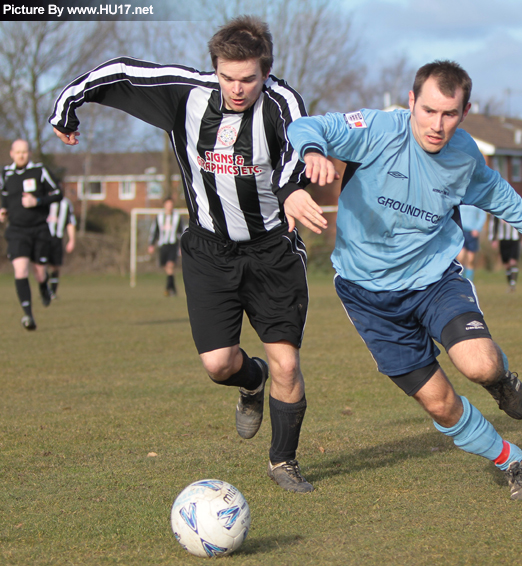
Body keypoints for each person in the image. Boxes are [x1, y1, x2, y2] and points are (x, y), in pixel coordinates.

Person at [286, 60, 522, 501]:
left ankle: (501, 381)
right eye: (428, 111)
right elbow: (307, 126)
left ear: (464, 113)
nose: (437, 125)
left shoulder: (463, 155)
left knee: (480, 365)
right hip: (368, 297)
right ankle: (512, 461)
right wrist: (312, 153)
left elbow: (494, 189)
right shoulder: (376, 129)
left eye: (449, 114)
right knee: (441, 404)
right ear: (411, 102)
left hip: (433, 281)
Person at [50, 16, 320, 493]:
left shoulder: (283, 104)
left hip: (271, 251)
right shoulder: (186, 94)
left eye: (249, 79)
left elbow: (299, 147)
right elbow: (120, 70)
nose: (237, 89)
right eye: (228, 77)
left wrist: (294, 187)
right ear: (214, 67)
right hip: (209, 250)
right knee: (219, 364)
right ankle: (249, 381)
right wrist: (67, 107)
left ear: (267, 72)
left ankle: (283, 462)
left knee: (288, 363)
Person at [0, 139, 62, 331]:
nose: (21, 155)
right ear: (12, 153)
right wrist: (2, 209)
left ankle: (43, 286)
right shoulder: (5, 174)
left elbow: (59, 193)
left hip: (39, 229)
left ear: (29, 153)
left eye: (24, 152)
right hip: (17, 230)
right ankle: (28, 315)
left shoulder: (40, 171)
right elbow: (2, 195)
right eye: (18, 152)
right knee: (20, 270)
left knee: (39, 271)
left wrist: (38, 201)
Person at [147, 196, 185, 297]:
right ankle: (171, 288)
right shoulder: (159, 217)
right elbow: (154, 231)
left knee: (170, 265)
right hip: (162, 245)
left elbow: (182, 232)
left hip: (173, 244)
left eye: (171, 204)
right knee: (167, 267)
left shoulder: (177, 217)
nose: (169, 206)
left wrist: (182, 246)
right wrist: (151, 244)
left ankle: (170, 288)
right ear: (164, 205)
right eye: (167, 204)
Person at [488, 215, 522, 292]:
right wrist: (493, 239)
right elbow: (494, 224)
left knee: (513, 261)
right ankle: (510, 284)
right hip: (503, 239)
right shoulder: (498, 211)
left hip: (515, 240)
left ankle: (513, 283)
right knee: (506, 264)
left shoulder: (516, 210)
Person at [47, 195, 77, 299]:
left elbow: (70, 222)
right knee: (41, 264)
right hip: (43, 237)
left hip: (57, 238)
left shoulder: (65, 203)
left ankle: (52, 292)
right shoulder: (44, 199)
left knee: (55, 265)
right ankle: (44, 291)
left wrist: (72, 240)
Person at [456, 204, 487, 281]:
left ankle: (469, 280)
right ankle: (460, 279)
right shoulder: (460, 199)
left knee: (470, 260)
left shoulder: (475, 200)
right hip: (461, 231)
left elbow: (482, 216)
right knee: (460, 257)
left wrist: (477, 228)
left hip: (472, 233)